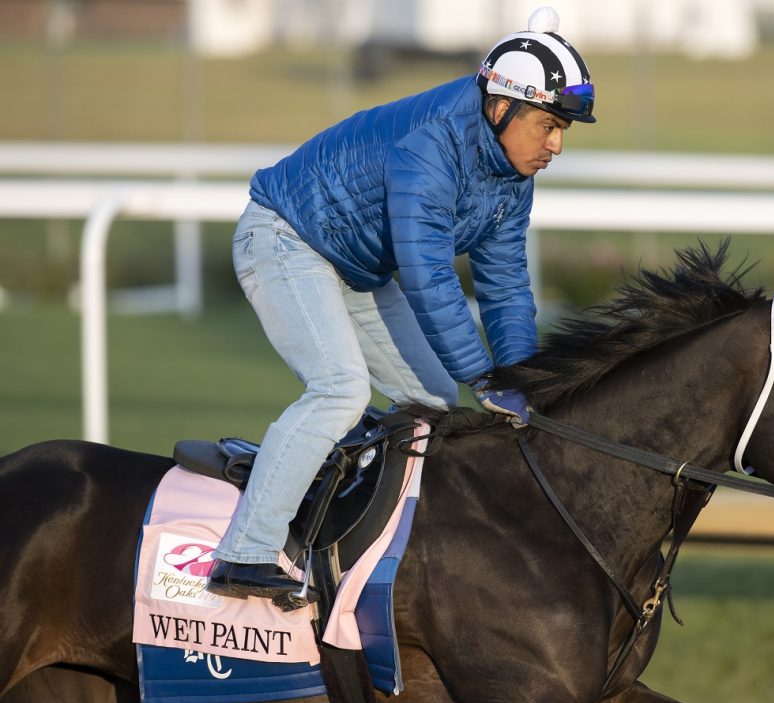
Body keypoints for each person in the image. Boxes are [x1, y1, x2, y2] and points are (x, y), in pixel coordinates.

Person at [206, 7, 597, 604]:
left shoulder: (513, 173)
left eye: (563, 128)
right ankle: (244, 553)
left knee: (432, 404)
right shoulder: (432, 145)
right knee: (339, 388)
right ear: (501, 107)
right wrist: (488, 380)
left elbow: (505, 286)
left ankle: (339, 514)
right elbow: (428, 276)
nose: (557, 144)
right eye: (548, 124)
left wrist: (527, 382)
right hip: (285, 239)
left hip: (357, 267)